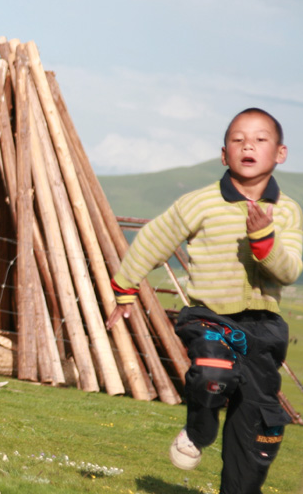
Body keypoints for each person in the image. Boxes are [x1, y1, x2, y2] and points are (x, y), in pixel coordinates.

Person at [106, 108, 302, 493]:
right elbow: (153, 238)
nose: (248, 145)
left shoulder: (289, 211)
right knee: (214, 368)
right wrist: (125, 288)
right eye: (237, 139)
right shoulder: (201, 202)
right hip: (209, 316)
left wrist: (265, 240)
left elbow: (289, 271)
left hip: (263, 328)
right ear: (223, 154)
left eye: (260, 139)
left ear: (280, 153)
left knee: (259, 427)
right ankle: (199, 427)